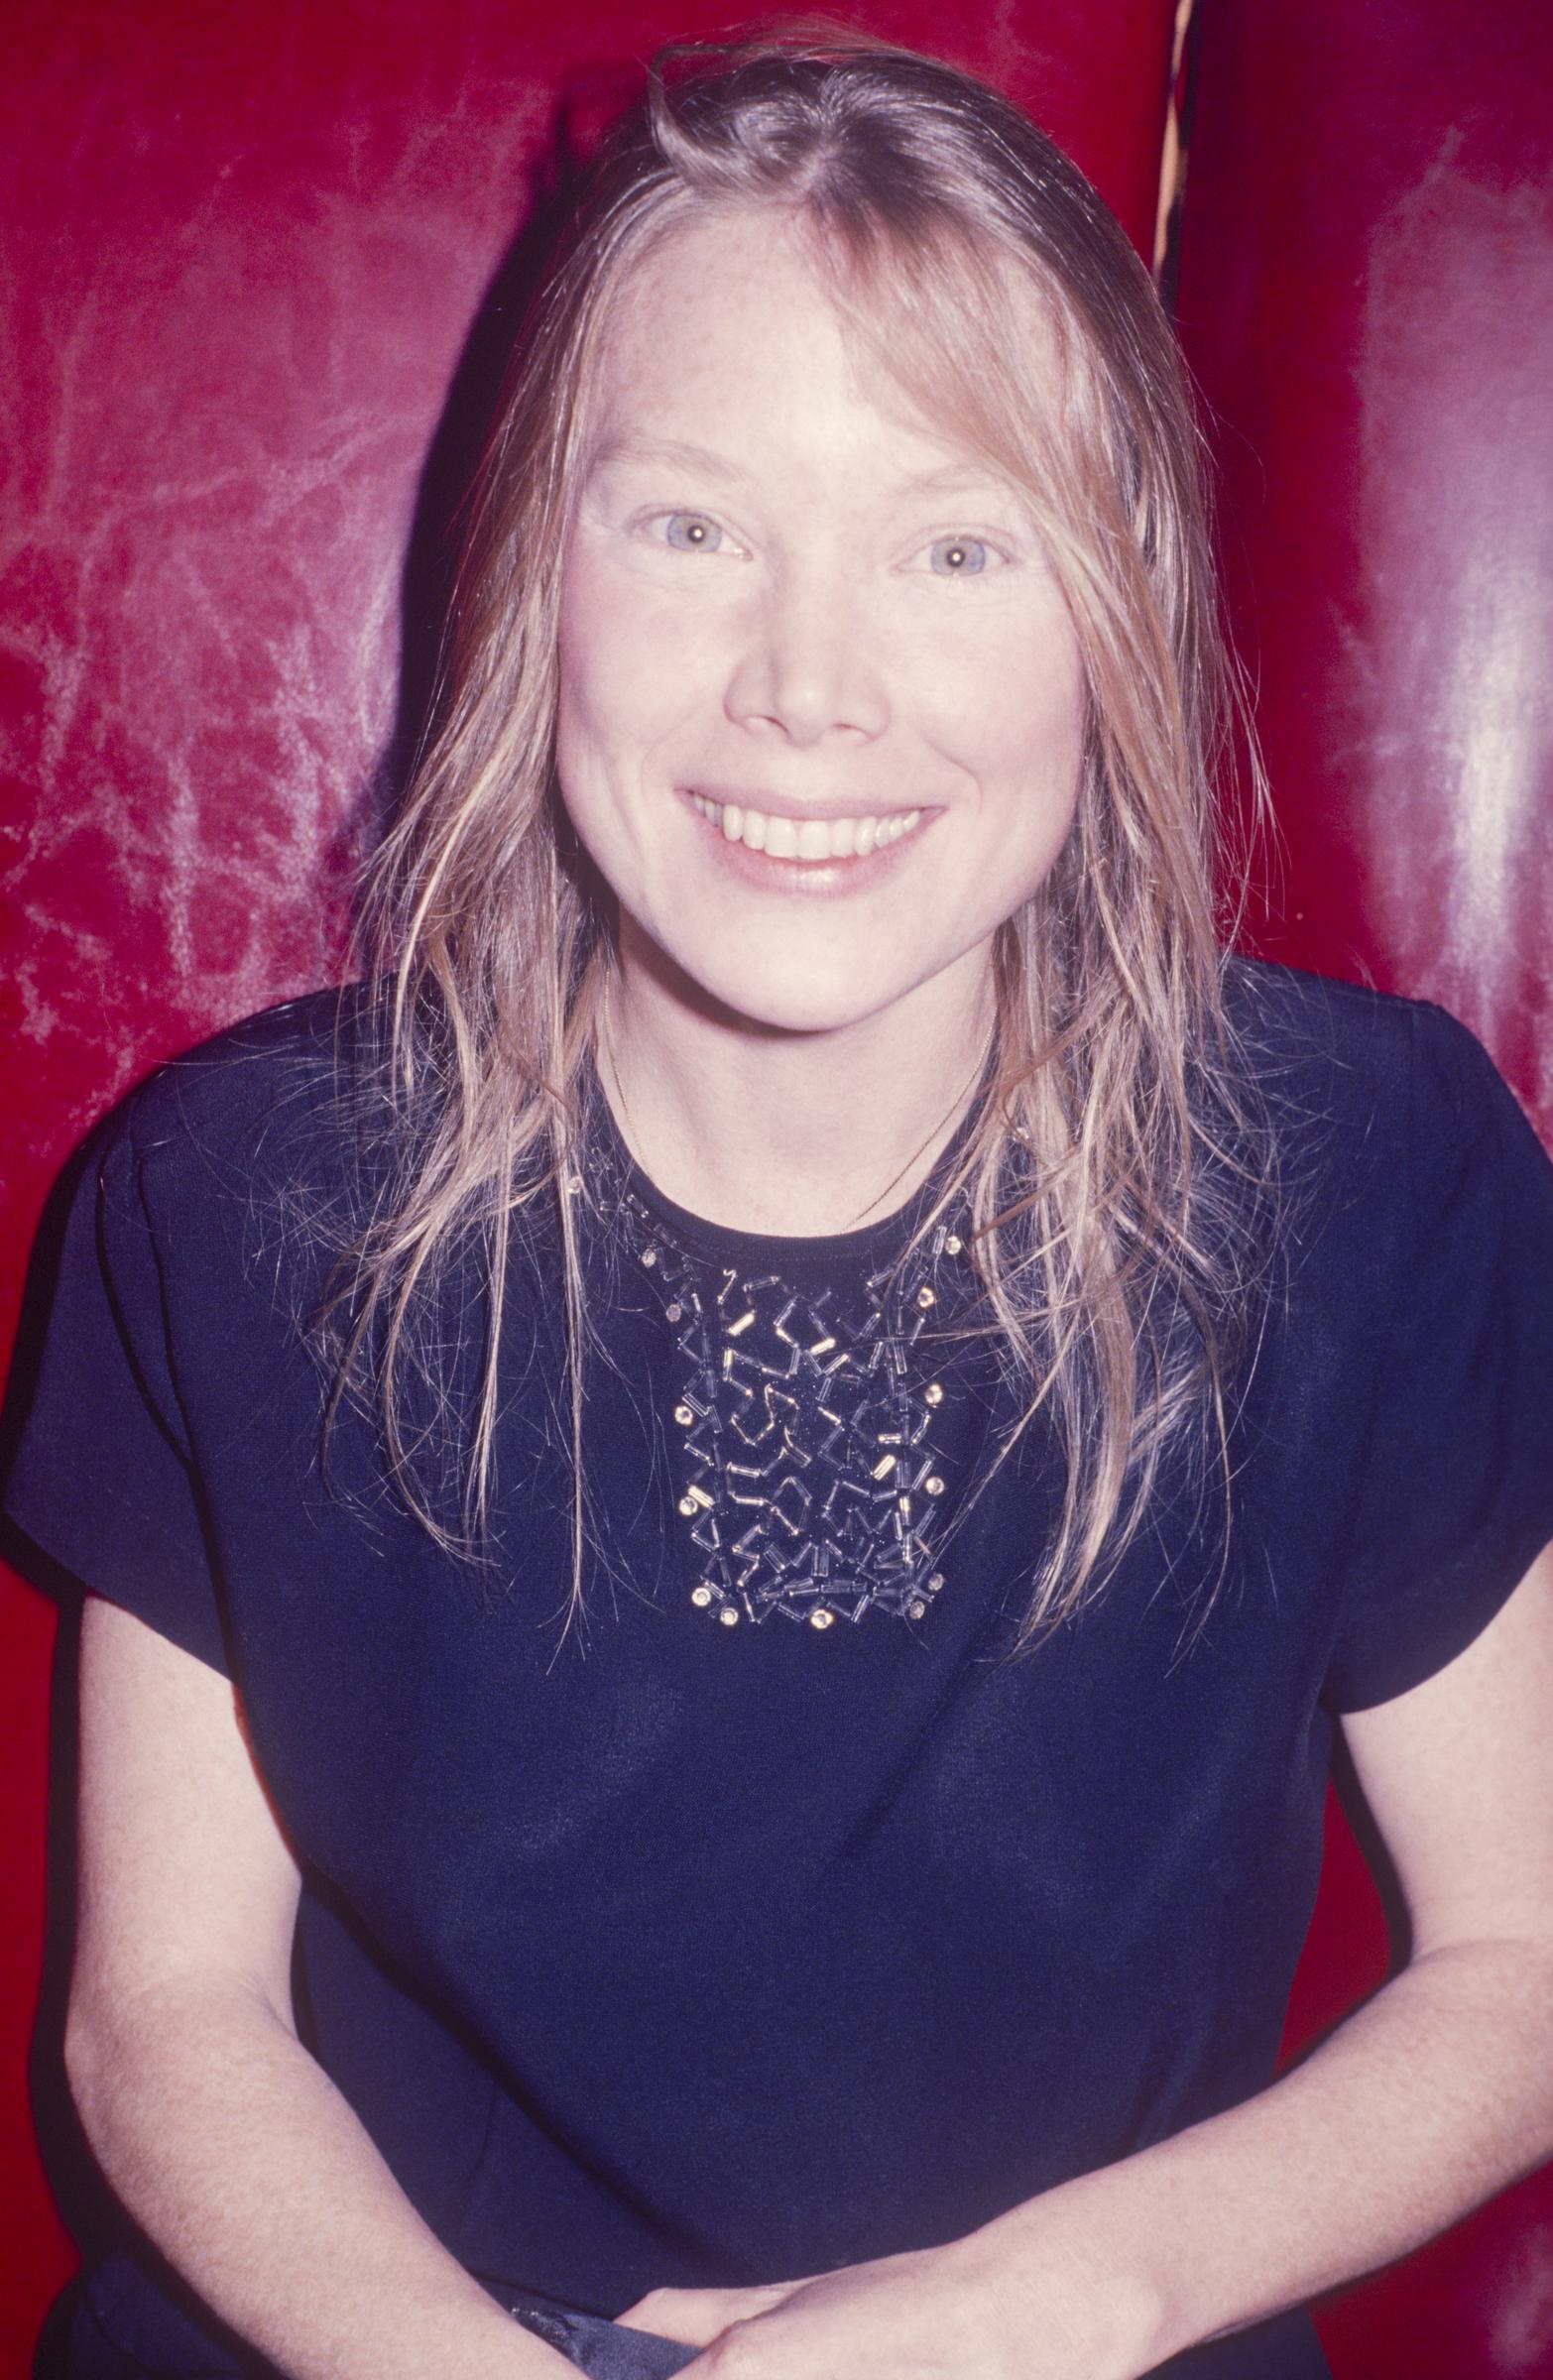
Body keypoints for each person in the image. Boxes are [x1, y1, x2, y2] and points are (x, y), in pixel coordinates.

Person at [6, 33, 1553, 2380]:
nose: (808, 688)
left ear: (1116, 613)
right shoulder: (230, 1205)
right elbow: (166, 2019)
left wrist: (1059, 2303)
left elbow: (1527, 1961)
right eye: (693, 525)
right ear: (539, 570)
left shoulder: (1365, 1176)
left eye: (957, 543)